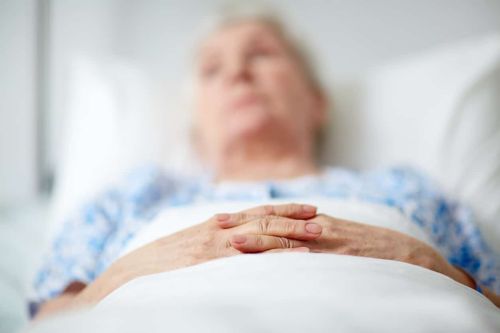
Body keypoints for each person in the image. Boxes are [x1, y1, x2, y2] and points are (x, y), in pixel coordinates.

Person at [31, 9, 500, 318]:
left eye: (261, 53)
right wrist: (131, 271)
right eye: (212, 69)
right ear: (197, 120)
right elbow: (49, 321)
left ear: (316, 101)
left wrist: (420, 260)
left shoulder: (405, 190)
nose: (237, 72)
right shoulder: (135, 196)